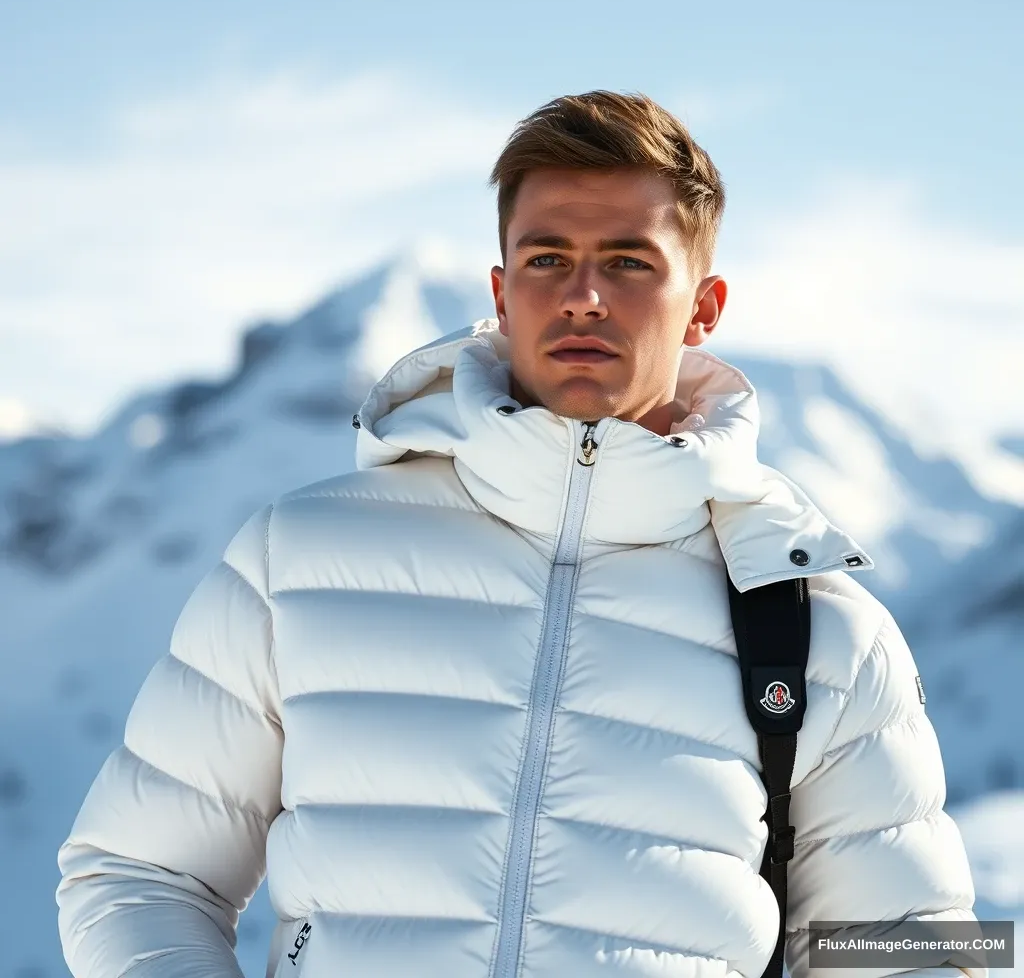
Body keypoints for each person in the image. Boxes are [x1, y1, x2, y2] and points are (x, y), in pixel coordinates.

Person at [56, 91, 982, 978]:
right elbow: (136, 872)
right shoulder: (298, 559)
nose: (583, 295)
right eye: (547, 259)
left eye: (629, 261)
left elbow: (912, 950)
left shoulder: (822, 631)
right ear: (501, 292)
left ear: (703, 305)